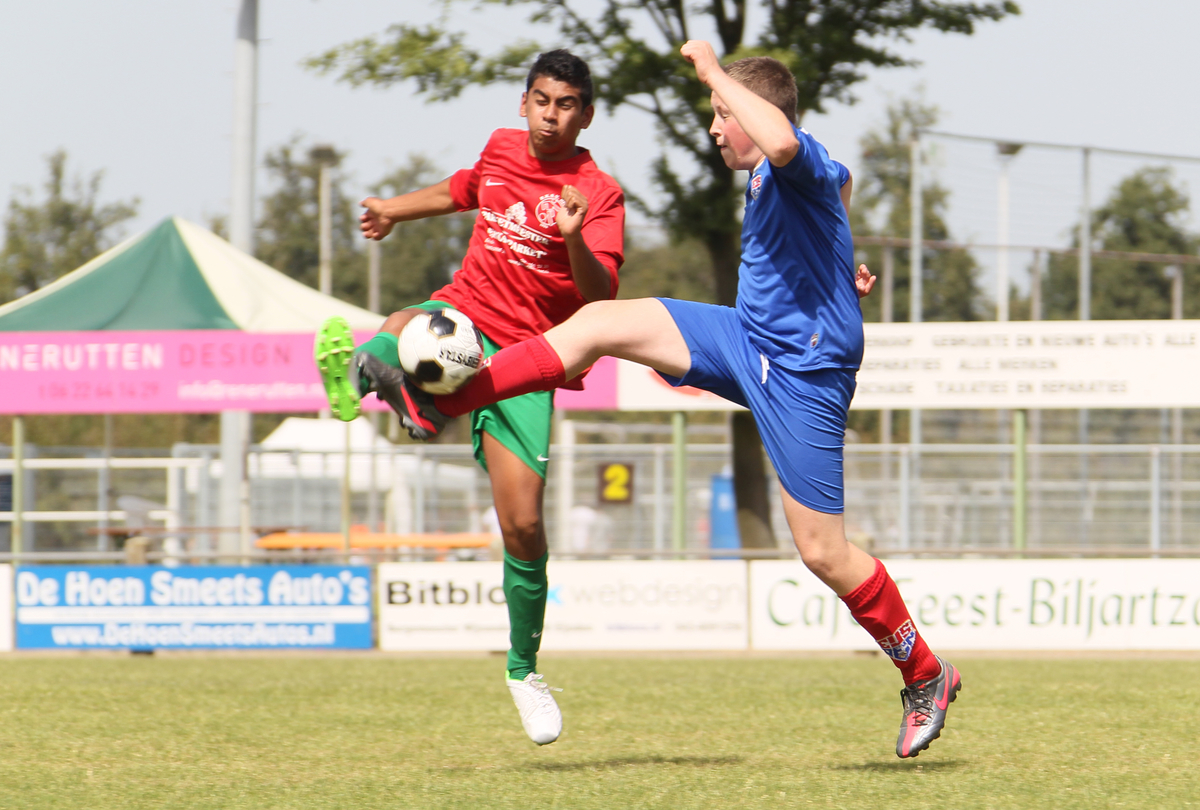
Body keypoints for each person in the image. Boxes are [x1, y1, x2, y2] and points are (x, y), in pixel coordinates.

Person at [378, 40, 960, 759]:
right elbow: (839, 193)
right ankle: (444, 403)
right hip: (745, 337)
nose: (715, 127)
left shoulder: (791, 151)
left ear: (758, 112)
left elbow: (786, 143)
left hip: (805, 376)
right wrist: (841, 269)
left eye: (721, 115)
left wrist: (716, 72)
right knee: (595, 324)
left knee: (823, 552)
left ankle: (924, 672)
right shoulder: (788, 172)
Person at [314, 49, 626, 747]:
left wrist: (574, 238)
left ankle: (523, 671)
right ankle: (375, 380)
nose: (553, 115)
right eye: (542, 100)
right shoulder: (501, 149)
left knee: (522, 529)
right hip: (465, 320)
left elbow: (601, 296)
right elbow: (466, 188)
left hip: (531, 358)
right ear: (523, 104)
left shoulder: (597, 191)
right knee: (400, 327)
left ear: (588, 114)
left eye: (567, 104)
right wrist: (394, 209)